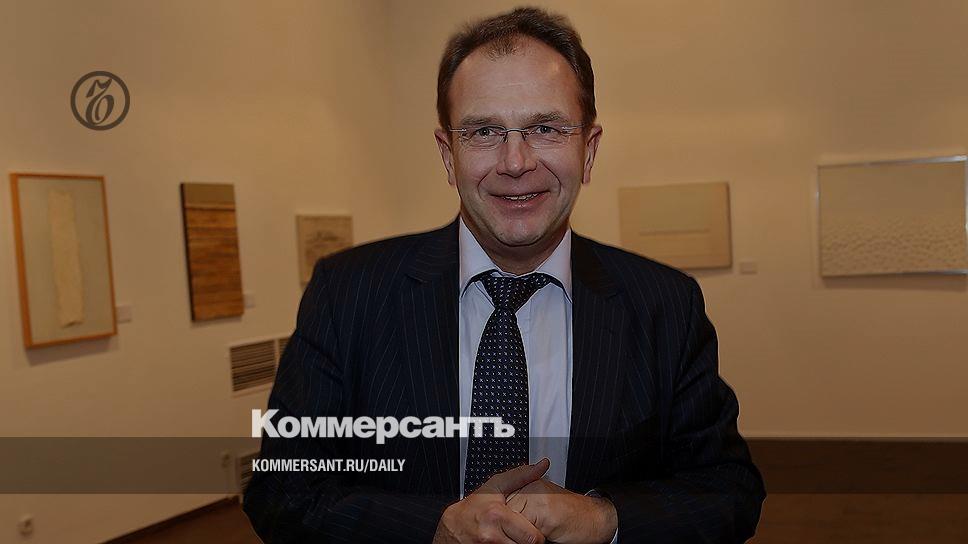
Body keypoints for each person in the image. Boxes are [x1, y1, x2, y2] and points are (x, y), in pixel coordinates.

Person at [244, 6, 765, 543]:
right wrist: (433, 528)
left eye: (545, 128)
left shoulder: (664, 304)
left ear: (588, 150)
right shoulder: (349, 293)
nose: (515, 162)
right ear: (448, 155)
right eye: (484, 131)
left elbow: (728, 492)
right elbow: (283, 491)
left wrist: (603, 518)